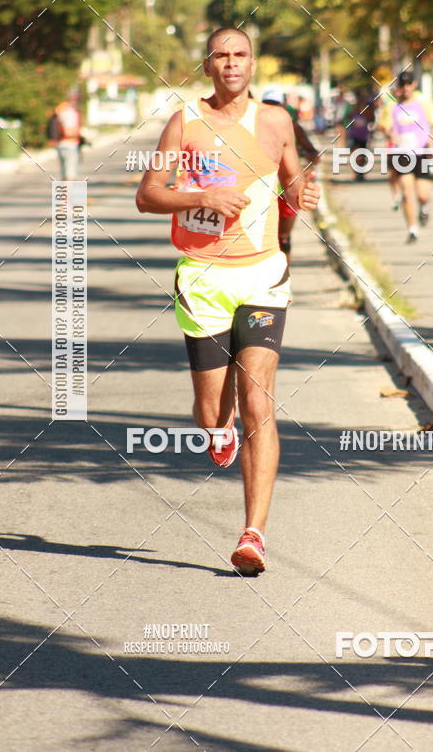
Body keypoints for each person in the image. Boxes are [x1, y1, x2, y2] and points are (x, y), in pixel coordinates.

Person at [135, 28, 320, 575]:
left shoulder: (275, 121)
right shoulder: (185, 121)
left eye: (240, 55)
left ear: (253, 64)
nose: (231, 63)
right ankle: (219, 431)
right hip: (202, 280)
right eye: (222, 55)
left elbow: (293, 187)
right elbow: (148, 195)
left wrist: (302, 192)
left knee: (258, 402)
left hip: (263, 276)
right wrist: (202, 196)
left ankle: (253, 535)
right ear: (208, 64)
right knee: (215, 412)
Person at [261, 87, 319, 263]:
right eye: (267, 105)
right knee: (264, 239)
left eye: (276, 105)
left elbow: (314, 155)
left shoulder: (292, 127)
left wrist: (296, 154)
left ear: (283, 106)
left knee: (283, 239)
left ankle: (283, 278)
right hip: (263, 190)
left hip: (287, 189)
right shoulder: (252, 126)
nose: (272, 109)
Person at [388, 71, 433, 243]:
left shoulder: (423, 102)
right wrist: (390, 134)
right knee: (407, 193)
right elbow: (385, 125)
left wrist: (431, 139)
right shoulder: (392, 106)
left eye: (408, 84)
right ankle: (412, 229)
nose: (406, 88)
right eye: (402, 85)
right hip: (402, 154)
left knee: (423, 195)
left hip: (421, 153)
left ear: (414, 85)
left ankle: (424, 208)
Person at [345, 90, 375, 182]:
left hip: (363, 135)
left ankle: (361, 173)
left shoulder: (367, 108)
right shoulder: (352, 107)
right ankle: (356, 172)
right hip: (354, 134)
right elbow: (347, 117)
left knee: (362, 154)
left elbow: (372, 119)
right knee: (355, 154)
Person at [53, 93, 82, 180]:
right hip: (70, 145)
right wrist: (80, 135)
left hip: (61, 144)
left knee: (64, 175)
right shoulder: (70, 113)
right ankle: (68, 194)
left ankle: (63, 193)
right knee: (70, 177)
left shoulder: (61, 111)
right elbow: (68, 131)